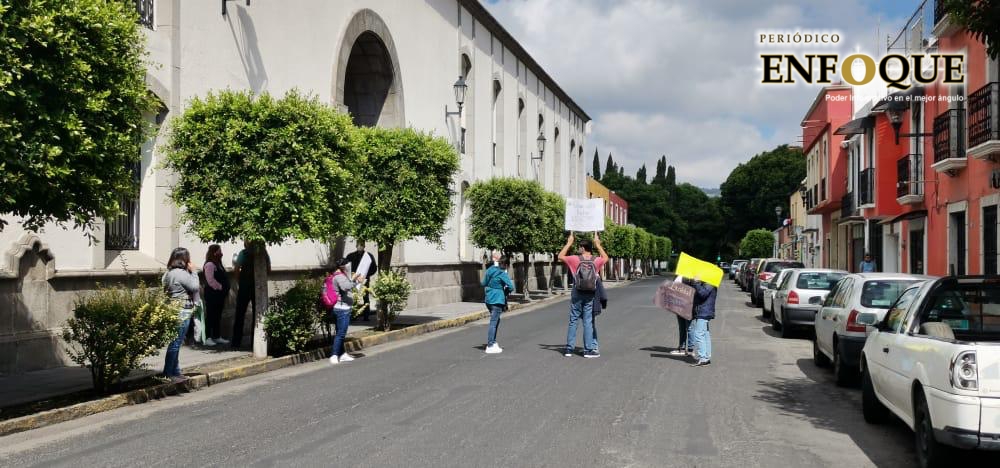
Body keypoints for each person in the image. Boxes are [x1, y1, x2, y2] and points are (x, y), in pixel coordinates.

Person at [558, 232, 609, 358]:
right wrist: (598, 245)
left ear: (582, 248)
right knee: (588, 321)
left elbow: (560, 256)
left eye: (579, 247)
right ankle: (588, 350)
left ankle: (569, 349)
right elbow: (606, 258)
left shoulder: (574, 259)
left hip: (577, 292)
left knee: (573, 320)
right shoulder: (596, 260)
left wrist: (569, 243)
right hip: (590, 294)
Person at [162, 247, 201, 383]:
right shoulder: (181, 274)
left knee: (176, 342)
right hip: (182, 310)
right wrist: (194, 272)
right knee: (176, 343)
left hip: (174, 308)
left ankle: (175, 371)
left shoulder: (168, 273)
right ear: (184, 259)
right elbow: (195, 287)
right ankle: (168, 373)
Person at [232, 241, 270, 349]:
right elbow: (269, 269)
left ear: (246, 244)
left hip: (244, 286)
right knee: (257, 315)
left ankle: (236, 343)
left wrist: (240, 281)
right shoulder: (264, 253)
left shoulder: (243, 253)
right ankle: (255, 342)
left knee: (240, 314)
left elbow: (236, 269)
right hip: (258, 287)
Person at [328, 258, 361, 364]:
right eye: (347, 265)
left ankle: (342, 354)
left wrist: (352, 279)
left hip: (340, 307)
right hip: (343, 308)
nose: (348, 266)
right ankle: (334, 355)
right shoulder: (339, 276)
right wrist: (356, 281)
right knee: (341, 334)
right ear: (342, 266)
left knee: (339, 332)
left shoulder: (338, 275)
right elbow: (346, 287)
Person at [481, 255, 515, 354]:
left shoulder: (490, 269)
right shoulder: (502, 274)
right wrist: (505, 291)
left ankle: (493, 342)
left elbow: (483, 283)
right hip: (497, 299)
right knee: (494, 322)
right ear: (506, 265)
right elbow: (511, 287)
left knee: (495, 321)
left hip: (488, 299)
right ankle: (490, 345)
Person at [202, 244, 231, 347]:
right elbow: (210, 280)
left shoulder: (218, 264)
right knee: (211, 315)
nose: (221, 253)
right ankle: (207, 337)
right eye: (219, 251)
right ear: (214, 253)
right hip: (212, 295)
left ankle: (217, 336)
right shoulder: (209, 264)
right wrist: (220, 287)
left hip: (219, 295)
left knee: (217, 316)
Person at [345, 241, 378, 321]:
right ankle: (354, 315)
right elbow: (347, 267)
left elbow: (373, 268)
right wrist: (353, 276)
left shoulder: (368, 256)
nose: (360, 246)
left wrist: (366, 275)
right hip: (353, 279)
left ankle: (366, 316)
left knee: (365, 297)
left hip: (365, 280)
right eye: (358, 245)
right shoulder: (350, 256)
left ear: (364, 246)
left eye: (362, 245)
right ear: (356, 246)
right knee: (353, 296)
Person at [688, 276, 717, 367]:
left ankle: (703, 358)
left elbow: (703, 294)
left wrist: (696, 283)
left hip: (704, 312)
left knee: (698, 333)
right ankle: (706, 357)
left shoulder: (710, 282)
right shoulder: (706, 282)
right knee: (705, 334)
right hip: (702, 311)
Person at [591, 277, 608, 352]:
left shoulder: (578, 275)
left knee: (586, 326)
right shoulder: (596, 277)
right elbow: (603, 295)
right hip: (593, 306)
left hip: (582, 306)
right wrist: (603, 305)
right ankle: (594, 346)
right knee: (591, 326)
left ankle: (587, 346)